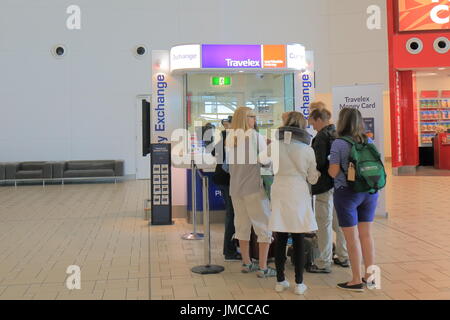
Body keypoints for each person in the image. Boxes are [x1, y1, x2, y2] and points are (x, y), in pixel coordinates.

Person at [269, 112, 320, 295]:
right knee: (298, 238)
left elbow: (264, 163)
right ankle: (299, 283)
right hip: (298, 192)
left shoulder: (275, 146)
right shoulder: (307, 149)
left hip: (279, 189)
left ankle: (280, 280)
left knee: (280, 237)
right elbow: (312, 179)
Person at [328, 108, 379, 292]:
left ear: (341, 122)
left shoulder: (338, 143)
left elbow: (333, 171)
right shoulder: (368, 140)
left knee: (351, 239)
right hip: (370, 192)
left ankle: (356, 280)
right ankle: (371, 277)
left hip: (347, 194)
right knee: (366, 235)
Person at [226, 107, 276, 278]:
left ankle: (247, 262)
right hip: (254, 188)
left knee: (241, 225)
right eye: (253, 116)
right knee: (263, 226)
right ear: (247, 119)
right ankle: (263, 267)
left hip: (236, 189)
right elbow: (266, 161)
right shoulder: (256, 137)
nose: (255, 119)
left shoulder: (230, 138)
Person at [307, 107, 349, 274]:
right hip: (339, 184)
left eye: (312, 122)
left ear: (318, 119)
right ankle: (343, 256)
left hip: (324, 184)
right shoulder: (337, 133)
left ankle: (323, 261)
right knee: (338, 222)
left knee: (323, 222)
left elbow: (318, 163)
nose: (312, 126)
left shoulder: (321, 137)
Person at [211, 116, 241, 261]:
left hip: (222, 177)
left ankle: (232, 249)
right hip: (228, 179)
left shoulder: (224, 134)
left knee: (232, 214)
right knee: (232, 214)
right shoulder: (236, 136)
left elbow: (213, 152)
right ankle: (229, 251)